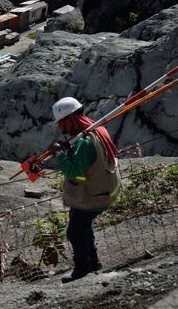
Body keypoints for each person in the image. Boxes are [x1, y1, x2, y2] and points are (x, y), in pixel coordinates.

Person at [50, 97, 121, 283]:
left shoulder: (84, 142)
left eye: (61, 123)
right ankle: (93, 262)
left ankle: (81, 269)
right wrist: (68, 149)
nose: (60, 128)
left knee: (74, 231)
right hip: (105, 191)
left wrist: (59, 154)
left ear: (69, 120)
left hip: (94, 196)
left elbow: (74, 170)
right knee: (81, 221)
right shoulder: (97, 130)